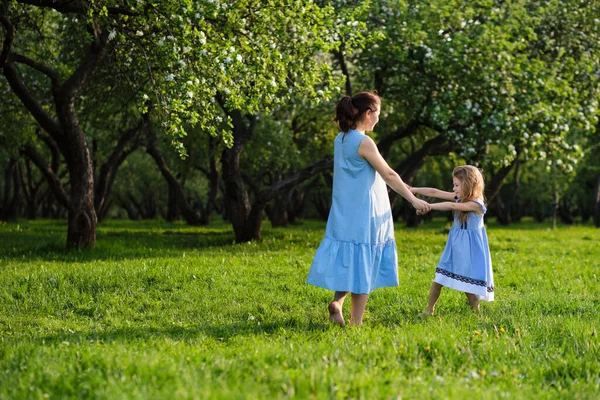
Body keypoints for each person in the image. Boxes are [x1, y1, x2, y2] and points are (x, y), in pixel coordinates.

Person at [307, 92, 431, 326]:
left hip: (344, 211)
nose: (378, 120)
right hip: (365, 212)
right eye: (378, 115)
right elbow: (388, 174)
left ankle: (338, 302)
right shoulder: (363, 142)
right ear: (368, 113)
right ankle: (356, 323)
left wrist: (405, 187)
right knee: (362, 263)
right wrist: (413, 200)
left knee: (350, 259)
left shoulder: (341, 139)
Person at [411, 165, 495, 316]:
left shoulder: (476, 204)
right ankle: (429, 309)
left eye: (456, 185)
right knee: (439, 278)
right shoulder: (460, 198)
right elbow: (434, 192)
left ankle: (476, 313)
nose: (454, 188)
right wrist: (413, 190)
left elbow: (450, 205)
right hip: (455, 245)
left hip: (470, 249)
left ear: (468, 183)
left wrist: (428, 206)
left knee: (467, 284)